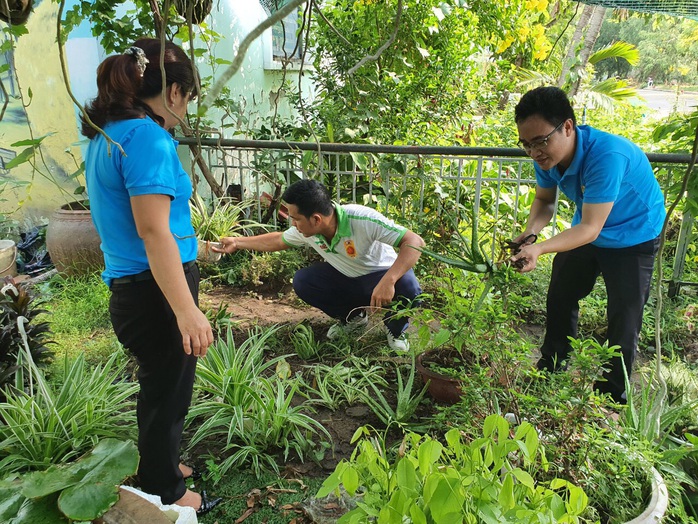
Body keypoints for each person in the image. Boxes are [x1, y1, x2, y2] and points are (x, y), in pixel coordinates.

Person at [82, 39, 221, 514]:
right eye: (189, 99)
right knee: (167, 393)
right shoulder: (148, 138)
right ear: (176, 91)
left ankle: (162, 464)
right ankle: (168, 492)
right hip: (158, 293)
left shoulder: (110, 134)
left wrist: (196, 246)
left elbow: (138, 224)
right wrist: (187, 310)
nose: (185, 113)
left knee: (163, 386)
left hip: (136, 288)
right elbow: (151, 230)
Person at [510, 86, 665, 404]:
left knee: (624, 315)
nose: (534, 153)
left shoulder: (607, 156)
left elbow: (591, 228)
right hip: (588, 230)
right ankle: (551, 369)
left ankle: (612, 394)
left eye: (540, 141)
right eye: (526, 145)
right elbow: (544, 200)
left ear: (567, 127)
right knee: (560, 295)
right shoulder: (547, 158)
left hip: (634, 236)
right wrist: (530, 234)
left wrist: (539, 249)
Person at [216, 179, 425, 351]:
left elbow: (415, 242)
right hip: (348, 278)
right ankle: (353, 320)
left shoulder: (362, 219)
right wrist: (237, 242)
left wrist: (389, 279)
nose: (292, 224)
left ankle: (396, 330)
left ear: (316, 219)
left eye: (295, 218)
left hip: (381, 276)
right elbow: (279, 240)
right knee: (305, 281)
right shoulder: (306, 230)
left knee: (409, 287)